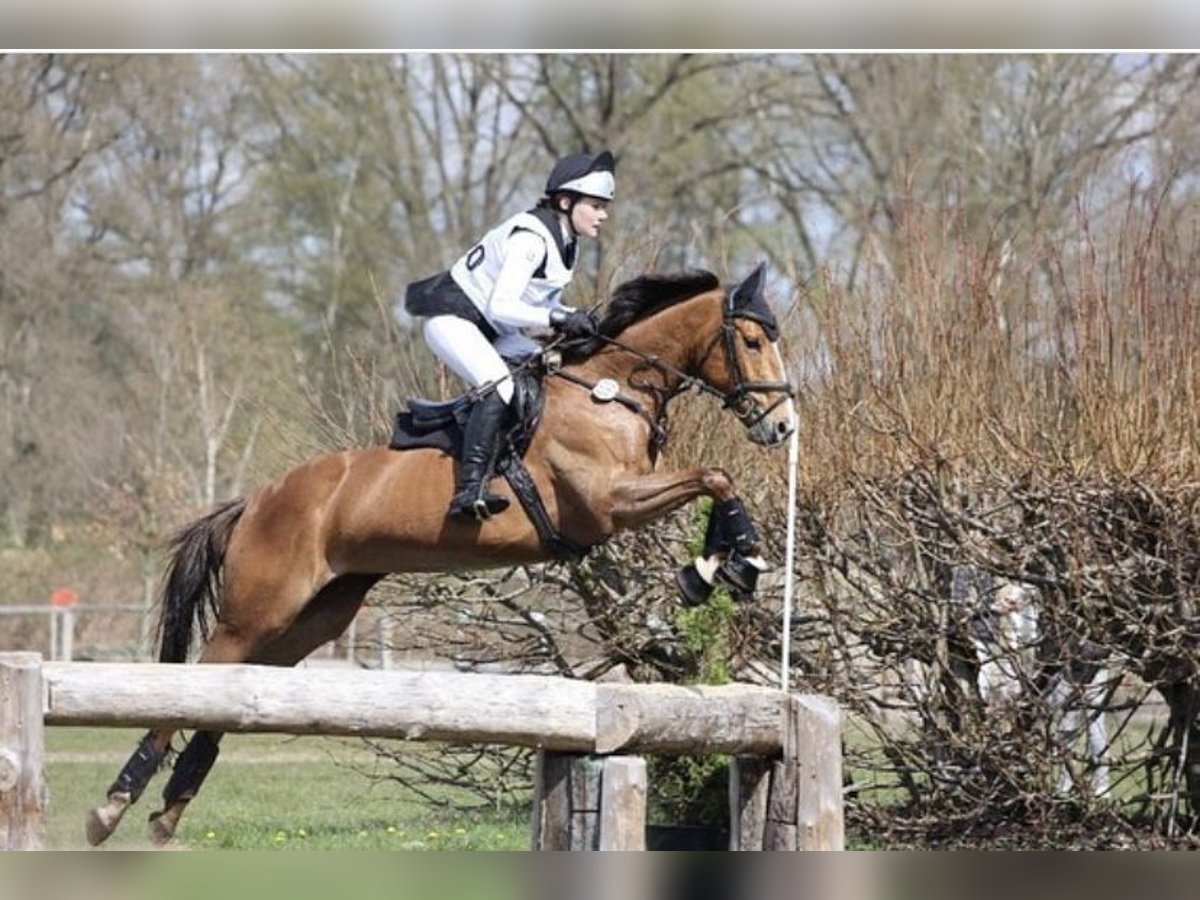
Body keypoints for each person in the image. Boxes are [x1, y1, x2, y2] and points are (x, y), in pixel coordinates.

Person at [403, 149, 616, 522]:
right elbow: (503, 305)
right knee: (499, 385)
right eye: (596, 206)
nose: (603, 215)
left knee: (552, 371)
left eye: (604, 207)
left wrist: (568, 326)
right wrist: (559, 316)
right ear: (566, 201)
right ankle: (469, 490)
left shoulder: (567, 242)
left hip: (494, 329)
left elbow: (530, 313)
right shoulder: (532, 238)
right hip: (454, 320)